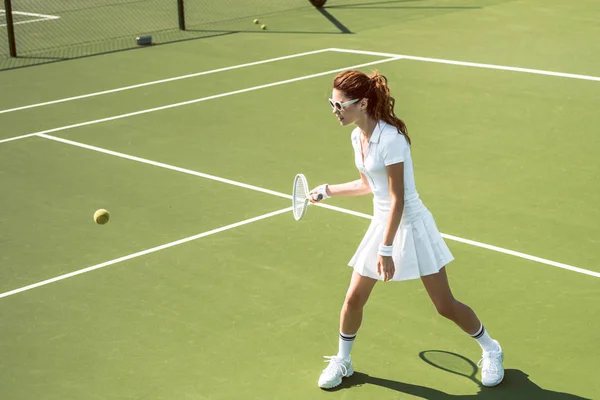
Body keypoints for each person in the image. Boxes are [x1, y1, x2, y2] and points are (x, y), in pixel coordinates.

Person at [309, 70, 504, 390]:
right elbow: (367, 186)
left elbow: (397, 199)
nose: (335, 110)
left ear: (364, 103)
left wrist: (386, 250)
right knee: (353, 298)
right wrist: (327, 190)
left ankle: (491, 349)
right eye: (332, 103)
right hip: (382, 224)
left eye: (340, 104)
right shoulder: (357, 136)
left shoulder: (392, 140)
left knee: (444, 305)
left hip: (410, 225)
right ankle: (343, 359)